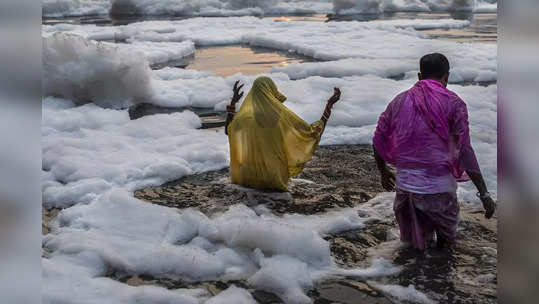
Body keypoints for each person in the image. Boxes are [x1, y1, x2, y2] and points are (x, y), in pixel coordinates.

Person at [373, 53, 496, 250]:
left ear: (420, 76)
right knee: (445, 251)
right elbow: (464, 150)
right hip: (439, 193)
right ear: (446, 77)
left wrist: (383, 171)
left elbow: (379, 137)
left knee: (414, 251)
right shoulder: (454, 103)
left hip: (405, 190)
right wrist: (484, 193)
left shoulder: (398, 101)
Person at [225, 76, 341, 191]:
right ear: (271, 91)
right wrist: (329, 106)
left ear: (253, 94)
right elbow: (313, 134)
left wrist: (233, 103)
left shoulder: (245, 118)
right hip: (274, 176)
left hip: (249, 175)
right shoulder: (282, 118)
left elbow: (228, 131)